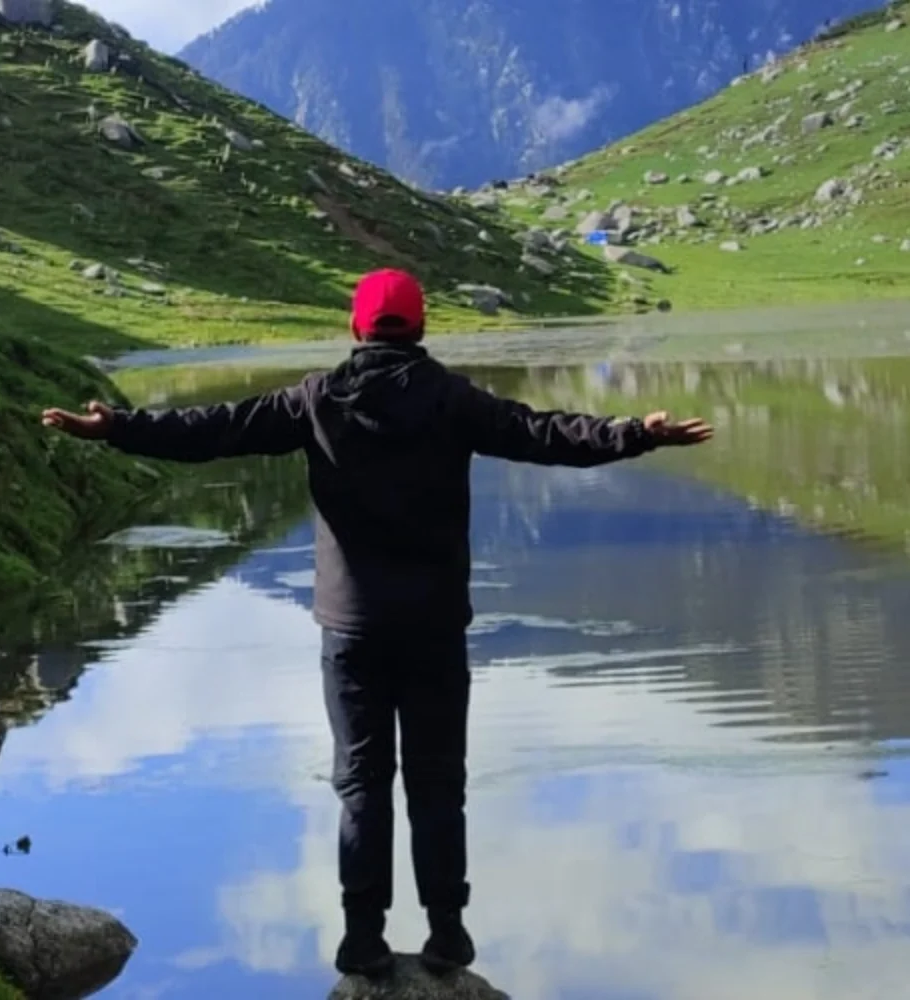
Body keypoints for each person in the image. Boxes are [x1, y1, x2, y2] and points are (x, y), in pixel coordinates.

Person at [42, 269, 714, 978]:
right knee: (437, 784)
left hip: (352, 629)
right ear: (421, 327)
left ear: (356, 327)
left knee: (361, 783)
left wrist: (117, 429)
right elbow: (541, 434)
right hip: (435, 629)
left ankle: (363, 939)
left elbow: (213, 430)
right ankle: (448, 934)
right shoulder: (451, 399)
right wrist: (632, 434)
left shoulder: (315, 400)